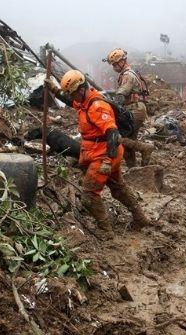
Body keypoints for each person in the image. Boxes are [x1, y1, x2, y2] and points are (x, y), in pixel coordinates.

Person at [45, 70, 150, 233]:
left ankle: (105, 230)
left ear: (81, 89)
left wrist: (108, 161)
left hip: (105, 155)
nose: (72, 98)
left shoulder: (97, 107)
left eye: (73, 94)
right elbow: (69, 100)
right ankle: (141, 218)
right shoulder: (83, 101)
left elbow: (113, 134)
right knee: (118, 188)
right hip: (98, 152)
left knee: (89, 195)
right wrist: (54, 89)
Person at [105, 48, 155, 167]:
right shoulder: (129, 73)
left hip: (135, 110)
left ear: (122, 61)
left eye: (116, 64)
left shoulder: (127, 75)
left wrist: (112, 107)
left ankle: (145, 148)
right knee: (129, 142)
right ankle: (134, 170)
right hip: (135, 109)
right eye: (113, 65)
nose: (114, 67)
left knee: (121, 138)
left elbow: (121, 94)